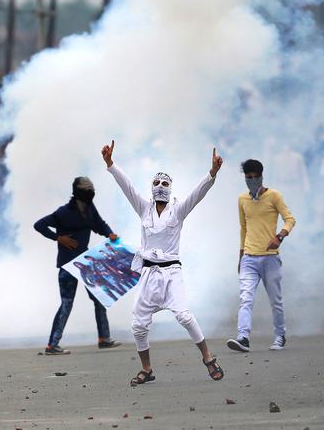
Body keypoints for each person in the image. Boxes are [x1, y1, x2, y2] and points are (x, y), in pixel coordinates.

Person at [102, 140, 225, 386]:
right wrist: (111, 164)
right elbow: (127, 188)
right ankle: (147, 369)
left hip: (171, 273)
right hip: (148, 274)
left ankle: (208, 359)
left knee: (185, 316)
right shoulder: (144, 208)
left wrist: (211, 174)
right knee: (138, 324)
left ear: (170, 188)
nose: (160, 186)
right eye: (156, 183)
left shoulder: (178, 210)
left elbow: (196, 195)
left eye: (165, 183)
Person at [33, 176, 121, 354]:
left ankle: (104, 338)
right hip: (67, 264)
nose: (91, 192)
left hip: (85, 262)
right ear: (79, 193)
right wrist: (58, 238)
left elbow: (99, 224)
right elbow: (39, 225)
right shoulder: (63, 213)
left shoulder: (89, 209)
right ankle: (52, 345)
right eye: (87, 189)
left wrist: (110, 234)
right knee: (66, 304)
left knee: (98, 298)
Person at [226, 158, 297, 352]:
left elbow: (290, 220)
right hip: (249, 256)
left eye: (256, 177)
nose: (252, 180)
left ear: (261, 176)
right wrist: (241, 256)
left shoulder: (274, 196)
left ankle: (280, 335)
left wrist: (279, 236)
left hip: (270, 257)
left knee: (275, 300)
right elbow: (244, 228)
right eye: (249, 177)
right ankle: (243, 337)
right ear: (245, 178)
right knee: (245, 298)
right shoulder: (242, 200)